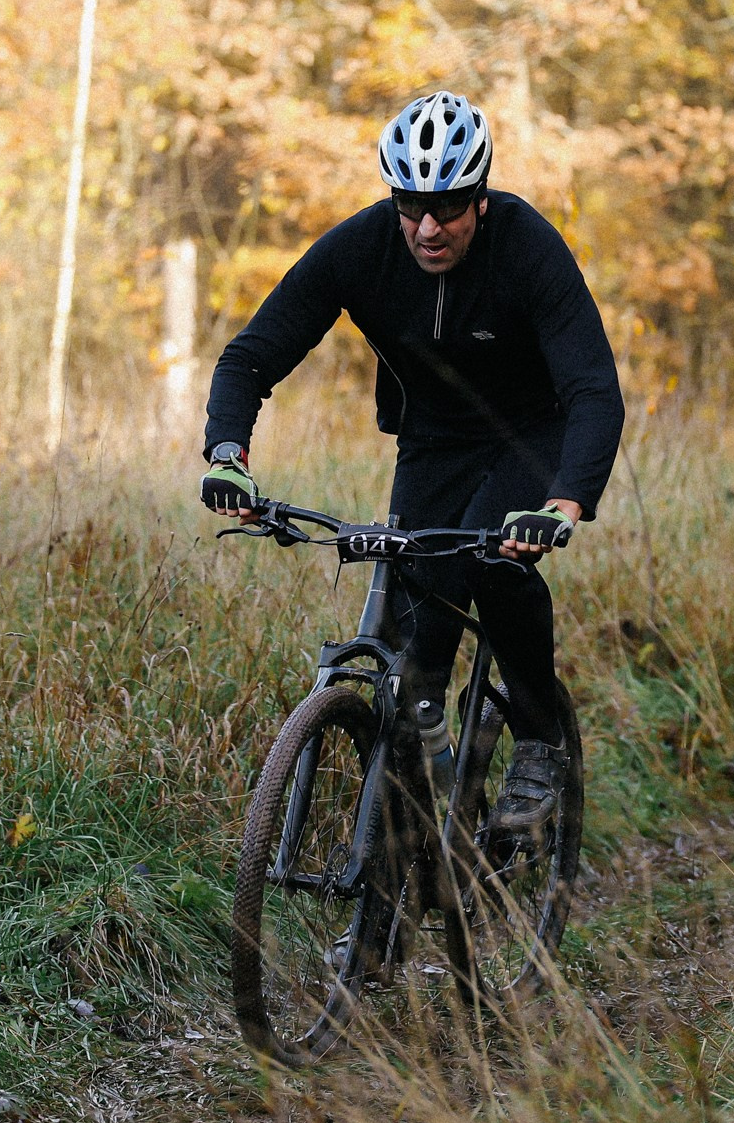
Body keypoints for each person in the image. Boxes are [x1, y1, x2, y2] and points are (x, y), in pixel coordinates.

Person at [199, 91, 625, 839]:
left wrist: (563, 504)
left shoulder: (527, 246)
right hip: (432, 443)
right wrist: (228, 454)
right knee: (414, 654)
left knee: (495, 563)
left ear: (480, 200)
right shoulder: (362, 248)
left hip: (533, 436)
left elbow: (593, 389)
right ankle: (402, 870)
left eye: (449, 207)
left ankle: (538, 740)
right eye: (411, 205)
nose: (428, 227)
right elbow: (250, 357)